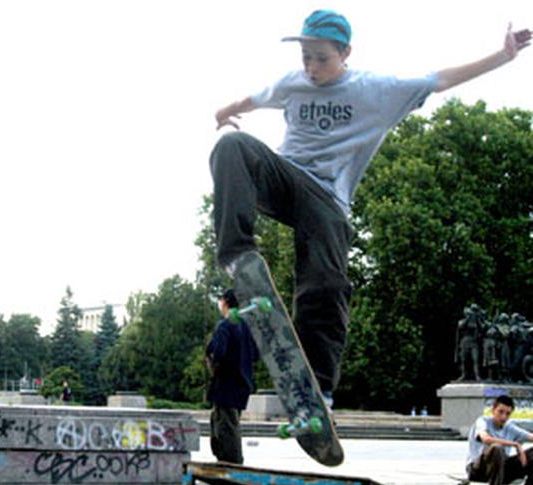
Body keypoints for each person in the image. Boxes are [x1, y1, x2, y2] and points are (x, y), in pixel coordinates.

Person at [211, 10, 531, 404]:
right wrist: (225, 112)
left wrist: (502, 56)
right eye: (305, 57)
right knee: (230, 147)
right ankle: (237, 253)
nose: (311, 68)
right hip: (284, 179)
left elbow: (440, 79)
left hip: (327, 197)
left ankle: (318, 386)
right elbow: (254, 99)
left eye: (321, 58)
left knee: (324, 283)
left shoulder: (376, 90)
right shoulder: (292, 82)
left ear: (346, 52)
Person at [205, 289, 259, 464]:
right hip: (243, 382)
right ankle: (229, 458)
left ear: (225, 303)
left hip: (226, 383)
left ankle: (232, 464)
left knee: (226, 426)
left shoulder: (225, 325)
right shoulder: (246, 327)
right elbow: (256, 355)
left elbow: (218, 353)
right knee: (228, 422)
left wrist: (213, 364)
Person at [466, 395, 533, 485]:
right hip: (479, 469)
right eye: (500, 412)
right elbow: (486, 439)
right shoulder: (482, 422)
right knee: (497, 448)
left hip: (502, 470)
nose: (503, 417)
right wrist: (515, 444)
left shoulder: (509, 427)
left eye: (507, 414)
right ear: (493, 410)